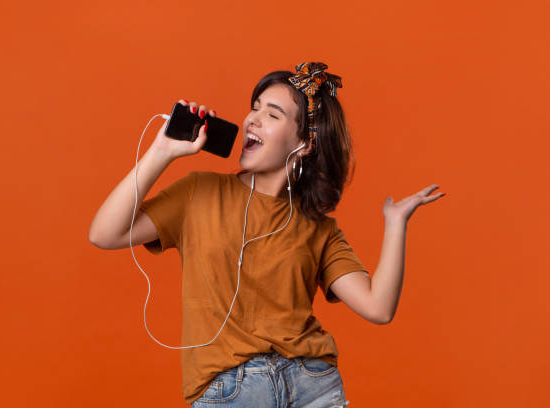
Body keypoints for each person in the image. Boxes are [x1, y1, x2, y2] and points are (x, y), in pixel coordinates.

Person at [89, 62, 445, 407]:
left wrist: (396, 222)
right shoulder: (200, 192)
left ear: (304, 143)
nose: (251, 120)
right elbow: (105, 234)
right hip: (230, 392)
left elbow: (378, 308)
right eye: (254, 108)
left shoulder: (318, 228)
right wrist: (162, 152)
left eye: (272, 115)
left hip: (313, 385)